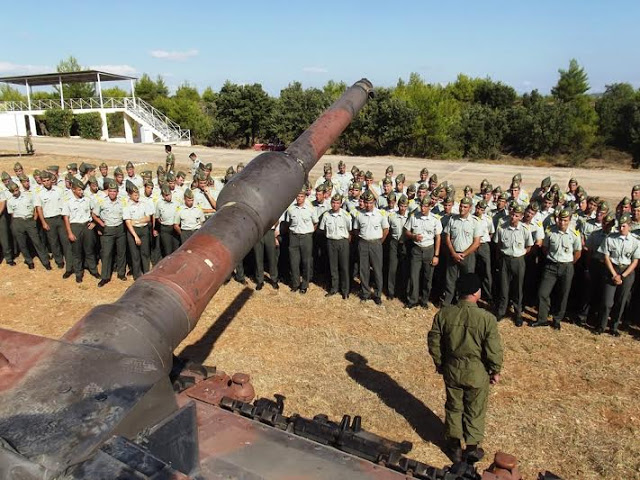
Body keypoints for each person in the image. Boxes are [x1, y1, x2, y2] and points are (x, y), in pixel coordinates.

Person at [428, 273, 503, 463]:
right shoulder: (487, 319)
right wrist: (495, 370)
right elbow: (493, 349)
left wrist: (440, 363)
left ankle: (454, 446)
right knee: (475, 409)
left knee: (454, 407)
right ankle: (471, 448)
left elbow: (434, 341)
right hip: (477, 372)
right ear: (477, 293)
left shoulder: (444, 314)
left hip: (452, 369)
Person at [532, 209, 582, 329]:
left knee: (563, 294)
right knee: (542, 293)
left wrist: (568, 263)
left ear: (569, 220)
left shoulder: (574, 234)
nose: (562, 223)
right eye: (560, 220)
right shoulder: (550, 231)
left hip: (567, 266)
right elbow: (545, 248)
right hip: (551, 266)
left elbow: (577, 253)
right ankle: (542, 318)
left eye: (565, 220)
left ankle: (557, 319)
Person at [596, 213, 640, 335]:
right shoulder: (610, 238)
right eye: (620, 226)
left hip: (626, 272)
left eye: (624, 226)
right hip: (612, 270)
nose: (621, 229)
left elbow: (635, 261)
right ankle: (601, 325)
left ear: (629, 226)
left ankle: (614, 327)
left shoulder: (635, 242)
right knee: (607, 301)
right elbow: (606, 257)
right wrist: (614, 274)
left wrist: (623, 276)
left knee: (621, 302)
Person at [492, 204, 534, 326]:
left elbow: (529, 245)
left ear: (521, 217)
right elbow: (498, 244)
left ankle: (518, 313)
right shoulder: (502, 228)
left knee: (518, 288)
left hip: (518, 260)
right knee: (504, 286)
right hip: (505, 259)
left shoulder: (525, 230)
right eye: (512, 214)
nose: (513, 217)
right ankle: (502, 310)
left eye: (516, 216)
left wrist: (521, 254)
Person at [442, 197, 481, 305]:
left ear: (470, 208)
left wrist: (464, 254)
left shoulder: (475, 222)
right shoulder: (452, 219)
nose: (462, 209)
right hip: (453, 254)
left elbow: (476, 242)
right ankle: (448, 302)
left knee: (467, 280)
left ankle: (463, 302)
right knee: (450, 280)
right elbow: (447, 237)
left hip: (467, 256)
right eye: (461, 206)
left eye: (465, 207)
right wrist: (453, 253)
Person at [404, 196, 441, 308]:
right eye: (422, 206)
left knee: (427, 277)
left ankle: (424, 300)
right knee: (414, 276)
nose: (423, 208)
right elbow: (406, 231)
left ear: (430, 206)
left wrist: (436, 255)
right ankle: (412, 300)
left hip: (429, 249)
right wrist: (413, 236)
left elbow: (438, 237)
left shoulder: (435, 219)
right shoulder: (414, 217)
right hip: (416, 249)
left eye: (425, 206)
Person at [353, 191, 389, 305]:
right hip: (363, 243)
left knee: (377, 270)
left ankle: (377, 295)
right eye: (366, 202)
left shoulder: (380, 214)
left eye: (370, 202)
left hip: (376, 244)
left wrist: (379, 242)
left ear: (374, 202)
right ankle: (365, 293)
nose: (368, 205)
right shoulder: (359, 214)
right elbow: (355, 230)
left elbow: (386, 230)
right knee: (364, 270)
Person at [5, 181, 51, 270]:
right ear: (10, 192)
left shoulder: (28, 196)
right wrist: (14, 225)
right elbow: (12, 214)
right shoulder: (10, 201)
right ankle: (29, 261)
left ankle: (46, 262)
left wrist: (34, 219)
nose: (16, 192)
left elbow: (35, 208)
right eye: (13, 191)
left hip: (29, 220)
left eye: (16, 190)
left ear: (18, 188)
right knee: (22, 244)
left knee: (37, 242)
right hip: (18, 221)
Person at [62, 178, 99, 283]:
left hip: (86, 227)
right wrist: (69, 232)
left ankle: (93, 270)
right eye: (79, 190)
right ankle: (78, 273)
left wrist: (94, 223)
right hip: (75, 227)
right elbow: (66, 218)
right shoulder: (68, 202)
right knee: (76, 252)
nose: (81, 192)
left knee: (89, 250)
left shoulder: (87, 200)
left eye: (82, 190)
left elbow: (94, 212)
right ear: (73, 190)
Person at [92, 180, 127, 286]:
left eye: (114, 191)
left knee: (121, 252)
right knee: (106, 253)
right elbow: (94, 214)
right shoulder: (102, 201)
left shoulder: (122, 202)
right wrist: (101, 224)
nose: (112, 193)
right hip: (107, 230)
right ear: (108, 192)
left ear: (117, 192)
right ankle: (105, 277)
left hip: (120, 228)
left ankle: (121, 273)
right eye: (110, 191)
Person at [283, 189, 318, 294]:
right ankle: (295, 284)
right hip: (293, 237)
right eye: (297, 196)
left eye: (301, 196)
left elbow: (315, 223)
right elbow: (288, 223)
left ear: (305, 197)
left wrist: (308, 232)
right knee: (294, 262)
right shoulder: (290, 209)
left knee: (306, 261)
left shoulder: (310, 209)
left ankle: (304, 284)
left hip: (306, 237)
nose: (299, 198)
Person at [34, 171, 71, 272]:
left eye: (48, 180)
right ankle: (59, 261)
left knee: (65, 241)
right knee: (53, 242)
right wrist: (43, 223)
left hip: (60, 218)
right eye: (44, 181)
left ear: (51, 180)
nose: (46, 183)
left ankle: (69, 260)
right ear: (41, 182)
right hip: (48, 220)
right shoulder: (39, 194)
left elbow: (65, 204)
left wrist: (65, 218)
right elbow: (39, 209)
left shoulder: (59, 190)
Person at [319, 193, 352, 299]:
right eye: (333, 203)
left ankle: (345, 291)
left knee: (344, 267)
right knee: (333, 267)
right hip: (331, 241)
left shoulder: (346, 215)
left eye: (337, 203)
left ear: (341, 204)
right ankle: (334, 288)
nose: (335, 205)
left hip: (343, 242)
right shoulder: (326, 215)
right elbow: (323, 230)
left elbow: (350, 230)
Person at [123, 181, 155, 280]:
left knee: (145, 253)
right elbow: (128, 223)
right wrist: (135, 236)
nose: (137, 196)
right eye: (135, 195)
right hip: (133, 232)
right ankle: (137, 275)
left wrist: (136, 221)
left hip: (144, 229)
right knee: (135, 254)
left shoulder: (143, 204)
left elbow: (148, 218)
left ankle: (146, 272)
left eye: (138, 194)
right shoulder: (127, 206)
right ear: (130, 195)